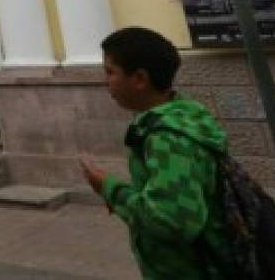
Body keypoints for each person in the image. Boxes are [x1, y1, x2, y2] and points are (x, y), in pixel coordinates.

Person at [79, 27, 234, 279]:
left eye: (110, 72)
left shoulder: (168, 138)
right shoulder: (176, 119)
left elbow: (171, 221)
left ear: (140, 79)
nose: (105, 81)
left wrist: (108, 188)